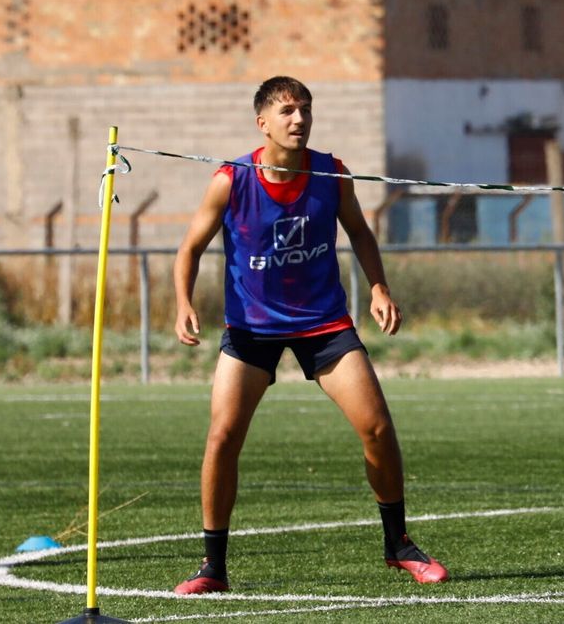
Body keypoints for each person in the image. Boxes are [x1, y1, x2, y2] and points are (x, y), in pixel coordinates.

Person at [170, 76, 446, 594]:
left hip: (324, 324)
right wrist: (183, 302)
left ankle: (399, 546)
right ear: (263, 123)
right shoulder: (231, 180)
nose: (299, 119)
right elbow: (188, 248)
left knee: (378, 429)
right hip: (252, 329)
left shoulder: (331, 172)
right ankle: (213, 567)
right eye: (288, 111)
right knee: (222, 437)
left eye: (306, 110)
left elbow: (359, 231)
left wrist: (379, 288)